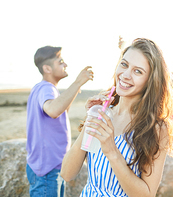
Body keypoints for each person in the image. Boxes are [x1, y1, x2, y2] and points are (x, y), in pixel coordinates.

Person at [60, 38, 173, 196]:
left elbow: (147, 194)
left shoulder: (156, 128)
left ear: (150, 81)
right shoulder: (103, 113)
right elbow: (66, 173)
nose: (125, 75)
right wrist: (92, 119)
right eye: (124, 64)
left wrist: (112, 151)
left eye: (138, 71)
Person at [26, 46, 94, 197]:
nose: (65, 65)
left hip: (52, 167)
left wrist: (74, 90)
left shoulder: (44, 89)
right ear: (47, 68)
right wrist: (77, 83)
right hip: (47, 170)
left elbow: (59, 112)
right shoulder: (46, 88)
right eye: (60, 61)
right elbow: (53, 110)